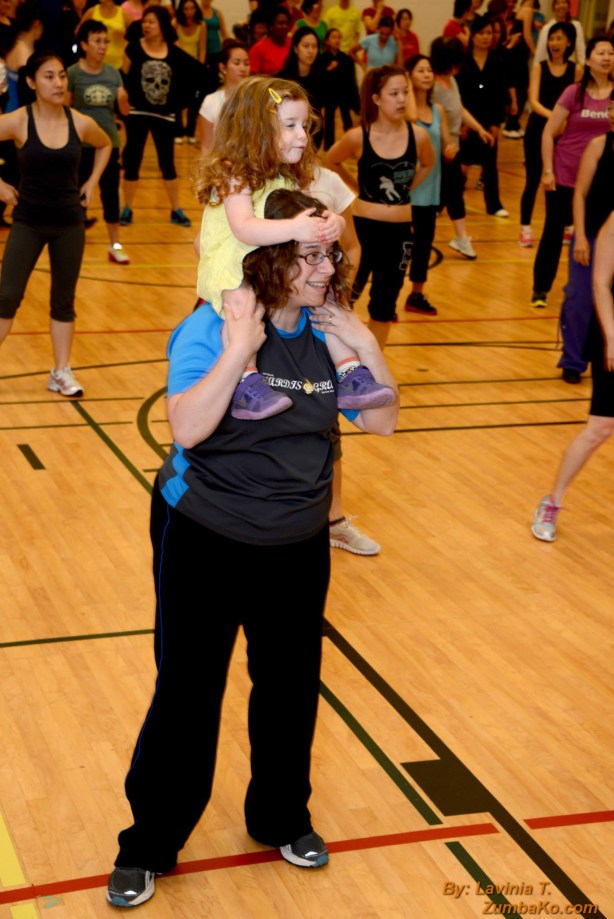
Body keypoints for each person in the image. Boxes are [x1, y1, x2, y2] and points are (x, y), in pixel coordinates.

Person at [106, 188, 399, 908]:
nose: (326, 268)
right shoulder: (213, 325)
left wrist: (366, 344)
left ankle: (280, 817)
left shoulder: (328, 332)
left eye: (329, 254)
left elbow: (381, 423)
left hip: (296, 543)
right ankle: (149, 842)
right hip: (205, 533)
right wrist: (240, 346)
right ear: (266, 258)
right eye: (308, 256)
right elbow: (186, 429)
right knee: (188, 690)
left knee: (291, 686)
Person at [194, 76, 395, 419]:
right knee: (243, 302)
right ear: (256, 131)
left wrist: (335, 222)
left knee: (326, 300)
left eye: (304, 125)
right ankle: (247, 382)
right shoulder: (235, 174)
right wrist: (294, 227)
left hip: (263, 260)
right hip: (230, 264)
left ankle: (350, 372)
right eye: (290, 125)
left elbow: (310, 214)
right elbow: (243, 228)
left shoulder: (286, 176)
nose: (302, 135)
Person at [0, 50, 111, 396]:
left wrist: (92, 182)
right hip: (28, 222)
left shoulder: (80, 122)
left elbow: (105, 144)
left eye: (62, 75)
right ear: (31, 82)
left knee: (63, 301)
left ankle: (61, 372)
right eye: (49, 76)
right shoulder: (18, 120)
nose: (58, 83)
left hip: (69, 223)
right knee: (6, 296)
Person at [325, 65, 435, 348]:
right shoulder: (358, 136)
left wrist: (407, 189)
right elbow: (331, 160)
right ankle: (336, 362)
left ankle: (373, 366)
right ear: (376, 98)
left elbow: (428, 163)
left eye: (405, 93)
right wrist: (356, 187)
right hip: (362, 231)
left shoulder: (418, 136)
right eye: (394, 93)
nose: (401, 99)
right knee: (344, 297)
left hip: (400, 234)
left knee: (385, 305)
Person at [531, 210, 614, 542]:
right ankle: (551, 502)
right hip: (611, 334)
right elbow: (601, 284)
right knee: (601, 427)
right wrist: (612, 337)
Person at [531, 37, 613, 312]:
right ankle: (541, 288)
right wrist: (548, 171)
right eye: (601, 53)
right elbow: (548, 133)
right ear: (587, 60)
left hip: (601, 181)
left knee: (597, 235)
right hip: (566, 173)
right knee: (553, 231)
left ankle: (590, 288)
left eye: (611, 53)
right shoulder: (574, 92)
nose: (606, 58)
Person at [555, 92, 614, 383]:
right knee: (579, 299)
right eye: (612, 108)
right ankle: (573, 361)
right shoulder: (598, 145)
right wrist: (579, 236)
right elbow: (579, 193)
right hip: (590, 234)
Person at [119, 5, 193, 227]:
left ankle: (176, 209)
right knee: (133, 161)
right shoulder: (133, 48)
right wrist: (122, 100)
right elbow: (122, 78)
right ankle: (127, 208)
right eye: (144, 21)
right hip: (137, 112)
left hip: (165, 116)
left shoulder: (174, 51)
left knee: (167, 163)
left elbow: (186, 81)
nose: (146, 25)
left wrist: (179, 106)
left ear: (162, 25)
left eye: (151, 21)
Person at [67, 21, 131, 264]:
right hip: (80, 147)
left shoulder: (113, 73)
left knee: (111, 196)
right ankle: (71, 244)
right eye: (97, 41)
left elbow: (124, 111)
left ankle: (115, 245)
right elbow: (65, 109)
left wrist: (123, 99)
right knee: (76, 195)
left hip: (108, 145)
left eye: (106, 41)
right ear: (84, 45)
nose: (103, 46)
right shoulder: (72, 73)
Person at [431, 35, 495, 260]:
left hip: (452, 148)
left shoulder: (452, 81)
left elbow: (460, 109)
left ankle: (460, 237)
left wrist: (479, 128)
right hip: (438, 151)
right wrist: (443, 147)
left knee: (451, 194)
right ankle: (459, 237)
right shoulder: (433, 87)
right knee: (449, 194)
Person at [518, 21, 579, 247]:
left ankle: (566, 225)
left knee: (564, 182)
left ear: (569, 42)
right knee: (533, 179)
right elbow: (533, 102)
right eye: (552, 38)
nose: (555, 43)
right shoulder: (539, 67)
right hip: (538, 129)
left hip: (565, 133)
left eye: (559, 38)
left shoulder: (576, 70)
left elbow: (577, 102)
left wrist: (563, 122)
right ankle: (525, 228)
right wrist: (555, 118)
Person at [405, 54, 455, 316]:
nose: (426, 74)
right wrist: (406, 86)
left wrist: (450, 150)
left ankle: (416, 294)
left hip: (430, 187)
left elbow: (446, 142)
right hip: (407, 188)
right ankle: (387, 297)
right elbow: (413, 118)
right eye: (420, 70)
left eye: (429, 70)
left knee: (424, 244)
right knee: (400, 247)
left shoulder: (438, 111)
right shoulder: (405, 111)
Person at [456, 15, 508, 218]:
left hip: (488, 120)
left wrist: (497, 122)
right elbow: (457, 94)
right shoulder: (463, 62)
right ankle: (445, 203)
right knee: (460, 166)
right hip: (467, 120)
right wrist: (460, 123)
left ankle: (494, 205)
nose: (486, 37)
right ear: (473, 36)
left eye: (489, 33)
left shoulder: (498, 62)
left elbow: (501, 94)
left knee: (490, 166)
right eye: (481, 33)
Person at [199, 38, 249, 152]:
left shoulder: (257, 99)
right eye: (237, 63)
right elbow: (206, 146)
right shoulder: (211, 101)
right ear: (223, 67)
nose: (243, 68)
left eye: (246, 63)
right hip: (220, 160)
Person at [277, 26, 325, 147]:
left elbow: (321, 111)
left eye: (314, 46)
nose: (311, 51)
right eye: (306, 46)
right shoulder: (282, 80)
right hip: (287, 137)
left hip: (313, 136)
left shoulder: (322, 77)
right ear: (295, 48)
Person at [501, 0, 537, 139]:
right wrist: (535, 52)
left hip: (517, 53)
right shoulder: (527, 10)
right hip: (519, 54)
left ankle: (514, 124)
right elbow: (527, 34)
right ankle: (511, 125)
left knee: (519, 86)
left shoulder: (521, 10)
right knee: (521, 87)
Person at [172, 0, 207, 144]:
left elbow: (202, 49)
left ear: (196, 9)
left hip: (194, 67)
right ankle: (178, 131)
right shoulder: (175, 23)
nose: (189, 12)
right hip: (178, 66)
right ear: (181, 10)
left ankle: (190, 131)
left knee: (194, 101)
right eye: (186, 9)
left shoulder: (201, 25)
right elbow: (174, 46)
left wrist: (200, 67)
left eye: (192, 8)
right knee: (177, 101)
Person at [320, 27, 358, 150]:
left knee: (347, 119)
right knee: (329, 119)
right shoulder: (322, 58)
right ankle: (329, 147)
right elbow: (319, 77)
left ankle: (350, 146)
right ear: (327, 41)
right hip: (329, 93)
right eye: (333, 37)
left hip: (343, 93)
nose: (337, 40)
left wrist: (354, 96)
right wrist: (329, 69)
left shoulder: (345, 58)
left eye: (339, 37)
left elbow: (351, 79)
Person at [79, 0, 130, 70]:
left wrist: (124, 37)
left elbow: (135, 34)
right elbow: (79, 33)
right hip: (94, 65)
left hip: (118, 64)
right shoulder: (92, 12)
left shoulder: (123, 14)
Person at [534, 0, 585, 66]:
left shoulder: (576, 25)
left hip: (569, 66)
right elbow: (540, 52)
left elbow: (581, 49)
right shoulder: (547, 28)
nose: (561, 5)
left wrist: (582, 65)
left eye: (564, 2)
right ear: (553, 7)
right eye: (558, 3)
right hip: (551, 66)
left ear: (568, 6)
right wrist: (536, 67)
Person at [248, 6, 291, 75]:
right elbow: (252, 77)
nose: (284, 26)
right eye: (280, 23)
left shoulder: (293, 44)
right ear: (271, 26)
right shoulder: (258, 48)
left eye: (286, 24)